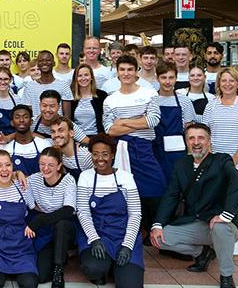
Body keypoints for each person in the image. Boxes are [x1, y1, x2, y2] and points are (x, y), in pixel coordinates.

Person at [150, 123, 238, 288]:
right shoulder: (181, 165)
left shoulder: (222, 160)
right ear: (186, 142)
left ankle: (226, 276)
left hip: (225, 226)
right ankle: (202, 253)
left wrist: (226, 215)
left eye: (201, 137)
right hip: (197, 223)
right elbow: (171, 196)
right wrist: (157, 224)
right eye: (191, 138)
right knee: (159, 239)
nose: (196, 142)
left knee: (220, 227)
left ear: (209, 141)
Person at [202, 67, 238, 258]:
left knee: (236, 200)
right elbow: (205, 132)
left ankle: (237, 247)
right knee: (215, 198)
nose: (227, 84)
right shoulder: (212, 105)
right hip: (215, 160)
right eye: (224, 80)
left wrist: (233, 159)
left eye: (231, 81)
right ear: (218, 83)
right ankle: (214, 243)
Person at [103, 55, 163, 231]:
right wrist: (138, 120)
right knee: (125, 189)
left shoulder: (149, 92)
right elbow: (109, 130)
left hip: (145, 148)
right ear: (117, 72)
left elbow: (152, 121)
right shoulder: (110, 100)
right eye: (122, 70)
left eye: (130, 69)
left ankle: (154, 228)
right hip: (121, 149)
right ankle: (129, 229)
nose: (126, 73)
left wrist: (122, 121)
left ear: (137, 71)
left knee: (157, 185)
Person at [76, 135, 144, 287]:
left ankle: (117, 268)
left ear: (112, 154)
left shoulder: (126, 178)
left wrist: (127, 246)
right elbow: (83, 212)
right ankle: (106, 268)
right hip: (98, 232)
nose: (100, 158)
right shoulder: (85, 177)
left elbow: (135, 214)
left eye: (105, 154)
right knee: (93, 268)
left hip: (122, 233)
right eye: (95, 154)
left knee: (130, 285)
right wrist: (94, 239)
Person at [0, 150, 38, 288]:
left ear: (13, 167)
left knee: (30, 284)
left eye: (8, 165)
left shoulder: (23, 185)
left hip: (22, 247)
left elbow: (33, 207)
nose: (4, 170)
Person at [25, 147, 76, 288]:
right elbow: (30, 204)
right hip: (46, 230)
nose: (45, 168)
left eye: (51, 165)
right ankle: (60, 255)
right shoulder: (34, 179)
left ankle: (58, 270)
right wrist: (19, 174)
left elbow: (68, 210)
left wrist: (40, 219)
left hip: (64, 228)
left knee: (62, 224)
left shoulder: (68, 180)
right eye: (42, 164)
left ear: (59, 165)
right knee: (41, 276)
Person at [154, 62, 197, 182]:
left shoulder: (185, 101)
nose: (167, 81)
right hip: (156, 150)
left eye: (171, 77)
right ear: (157, 78)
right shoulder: (151, 100)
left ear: (176, 78)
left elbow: (190, 131)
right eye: (163, 77)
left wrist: (191, 156)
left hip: (178, 152)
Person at [0, 105, 51, 176]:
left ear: (31, 121)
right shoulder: (3, 148)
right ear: (12, 122)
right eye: (17, 117)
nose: (21, 120)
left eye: (25, 117)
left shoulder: (44, 145)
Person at [21, 50, 73, 120]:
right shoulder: (30, 86)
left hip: (57, 128)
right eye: (41, 60)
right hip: (36, 129)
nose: (44, 63)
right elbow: (27, 114)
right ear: (38, 64)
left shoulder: (63, 85)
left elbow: (67, 117)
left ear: (54, 63)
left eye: (48, 60)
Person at [70, 63, 107, 138]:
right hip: (76, 138)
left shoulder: (102, 96)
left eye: (86, 75)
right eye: (80, 76)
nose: (83, 78)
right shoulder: (71, 97)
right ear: (75, 79)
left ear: (91, 77)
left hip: (97, 138)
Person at [51, 116, 93, 180]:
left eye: (61, 130)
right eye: (53, 131)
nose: (56, 135)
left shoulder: (85, 155)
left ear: (71, 133)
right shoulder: (59, 156)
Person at [0, 67, 18, 140]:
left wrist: (8, 138)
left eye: (6, 79)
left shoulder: (17, 100)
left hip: (14, 138)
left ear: (10, 80)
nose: (2, 82)